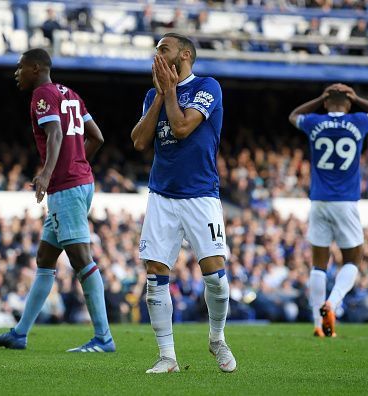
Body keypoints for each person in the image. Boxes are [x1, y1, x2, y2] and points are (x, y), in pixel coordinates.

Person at [0, 48, 114, 352]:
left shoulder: (41, 95)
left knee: (82, 260)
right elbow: (97, 136)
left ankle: (103, 338)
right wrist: (79, 164)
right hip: (79, 182)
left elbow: (55, 134)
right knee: (45, 258)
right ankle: (20, 334)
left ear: (35, 67)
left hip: (66, 187)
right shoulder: (70, 93)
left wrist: (47, 173)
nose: (17, 73)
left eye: (20, 68)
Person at [130, 33, 236, 373]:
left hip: (201, 194)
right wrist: (161, 94)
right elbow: (139, 141)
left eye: (165, 49)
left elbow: (181, 127)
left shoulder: (208, 86)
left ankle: (217, 338)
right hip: (162, 194)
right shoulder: (153, 94)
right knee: (155, 274)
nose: (158, 55)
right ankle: (167, 357)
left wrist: (170, 91)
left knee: (216, 276)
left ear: (185, 54)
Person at [288, 84, 368, 337]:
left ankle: (318, 322)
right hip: (346, 202)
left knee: (318, 265)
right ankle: (332, 303)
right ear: (348, 104)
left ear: (326, 103)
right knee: (353, 260)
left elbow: (293, 116)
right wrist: (358, 99)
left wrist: (318, 99)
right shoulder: (358, 120)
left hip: (319, 201)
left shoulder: (314, 121)